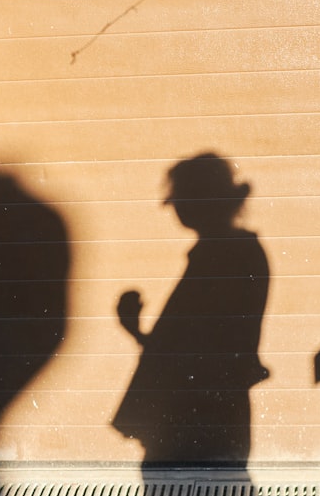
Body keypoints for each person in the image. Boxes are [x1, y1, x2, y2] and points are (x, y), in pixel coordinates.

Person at [112, 153, 269, 464]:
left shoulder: (226, 256)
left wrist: (139, 333)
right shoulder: (229, 253)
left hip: (196, 418)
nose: (177, 207)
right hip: (205, 415)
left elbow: (196, 349)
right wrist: (137, 331)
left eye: (182, 197)